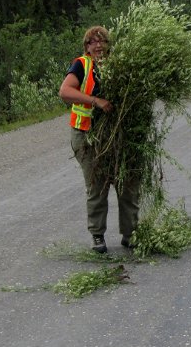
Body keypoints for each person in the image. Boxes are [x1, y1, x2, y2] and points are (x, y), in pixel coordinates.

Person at [59, 26, 141, 254]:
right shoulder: (81, 65)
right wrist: (95, 101)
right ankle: (97, 236)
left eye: (101, 41)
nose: (97, 45)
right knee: (97, 184)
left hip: (117, 135)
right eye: (92, 42)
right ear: (86, 47)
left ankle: (130, 233)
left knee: (128, 181)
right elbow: (65, 92)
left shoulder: (118, 65)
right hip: (87, 135)